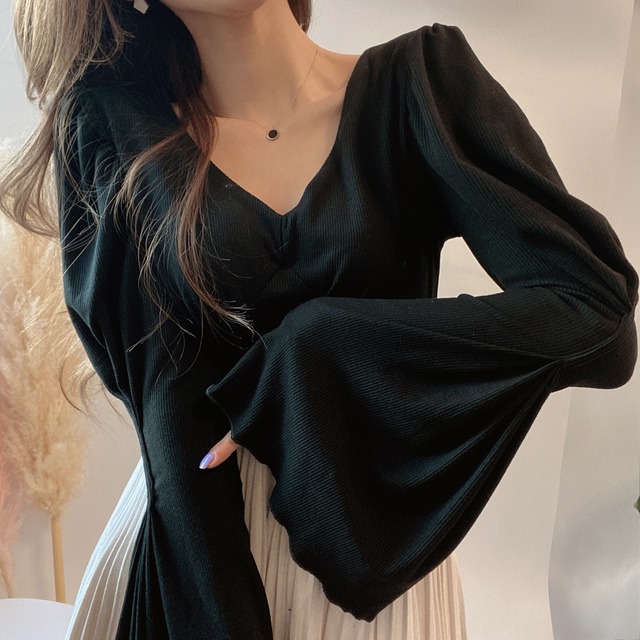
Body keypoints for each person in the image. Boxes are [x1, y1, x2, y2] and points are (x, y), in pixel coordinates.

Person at [0, 0, 637, 638]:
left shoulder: (422, 84)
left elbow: (597, 317)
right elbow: (171, 413)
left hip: (374, 542)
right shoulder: (116, 130)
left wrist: (318, 345)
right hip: (195, 552)